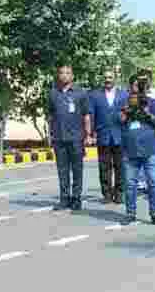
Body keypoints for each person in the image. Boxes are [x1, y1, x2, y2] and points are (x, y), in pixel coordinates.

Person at [119, 77, 155, 226]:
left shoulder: (152, 103)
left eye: (141, 86)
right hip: (130, 149)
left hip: (151, 149)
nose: (138, 88)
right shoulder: (124, 102)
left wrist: (147, 114)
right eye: (135, 85)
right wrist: (127, 111)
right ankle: (130, 213)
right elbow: (117, 120)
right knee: (129, 184)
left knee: (153, 182)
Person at [48, 65, 90, 211]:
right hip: (59, 138)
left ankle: (77, 198)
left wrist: (88, 135)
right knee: (62, 170)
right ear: (58, 75)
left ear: (72, 76)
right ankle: (64, 198)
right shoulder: (53, 93)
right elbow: (51, 116)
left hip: (76, 138)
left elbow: (86, 115)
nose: (64, 75)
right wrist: (50, 135)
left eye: (68, 73)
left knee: (77, 169)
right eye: (62, 73)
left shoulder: (81, 93)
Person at [89, 71, 127, 203]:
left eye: (110, 77)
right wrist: (91, 133)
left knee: (120, 166)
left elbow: (128, 114)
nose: (108, 80)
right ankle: (107, 194)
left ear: (115, 79)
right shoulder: (95, 95)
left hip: (120, 135)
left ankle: (119, 193)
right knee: (104, 166)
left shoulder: (124, 94)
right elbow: (92, 115)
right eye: (105, 77)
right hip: (103, 135)